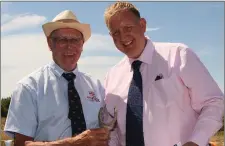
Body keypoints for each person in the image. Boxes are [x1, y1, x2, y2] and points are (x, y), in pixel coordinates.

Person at [103, 1, 224, 146]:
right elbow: (114, 130)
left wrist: (195, 141)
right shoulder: (112, 77)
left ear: (142, 25)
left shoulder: (178, 55)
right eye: (116, 32)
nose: (123, 37)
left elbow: (214, 102)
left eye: (128, 28)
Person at [4, 10, 109, 146]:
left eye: (75, 40)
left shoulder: (96, 86)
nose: (69, 45)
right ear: (50, 43)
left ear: (82, 45)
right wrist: (76, 143)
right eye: (62, 40)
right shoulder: (29, 87)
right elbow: (21, 144)